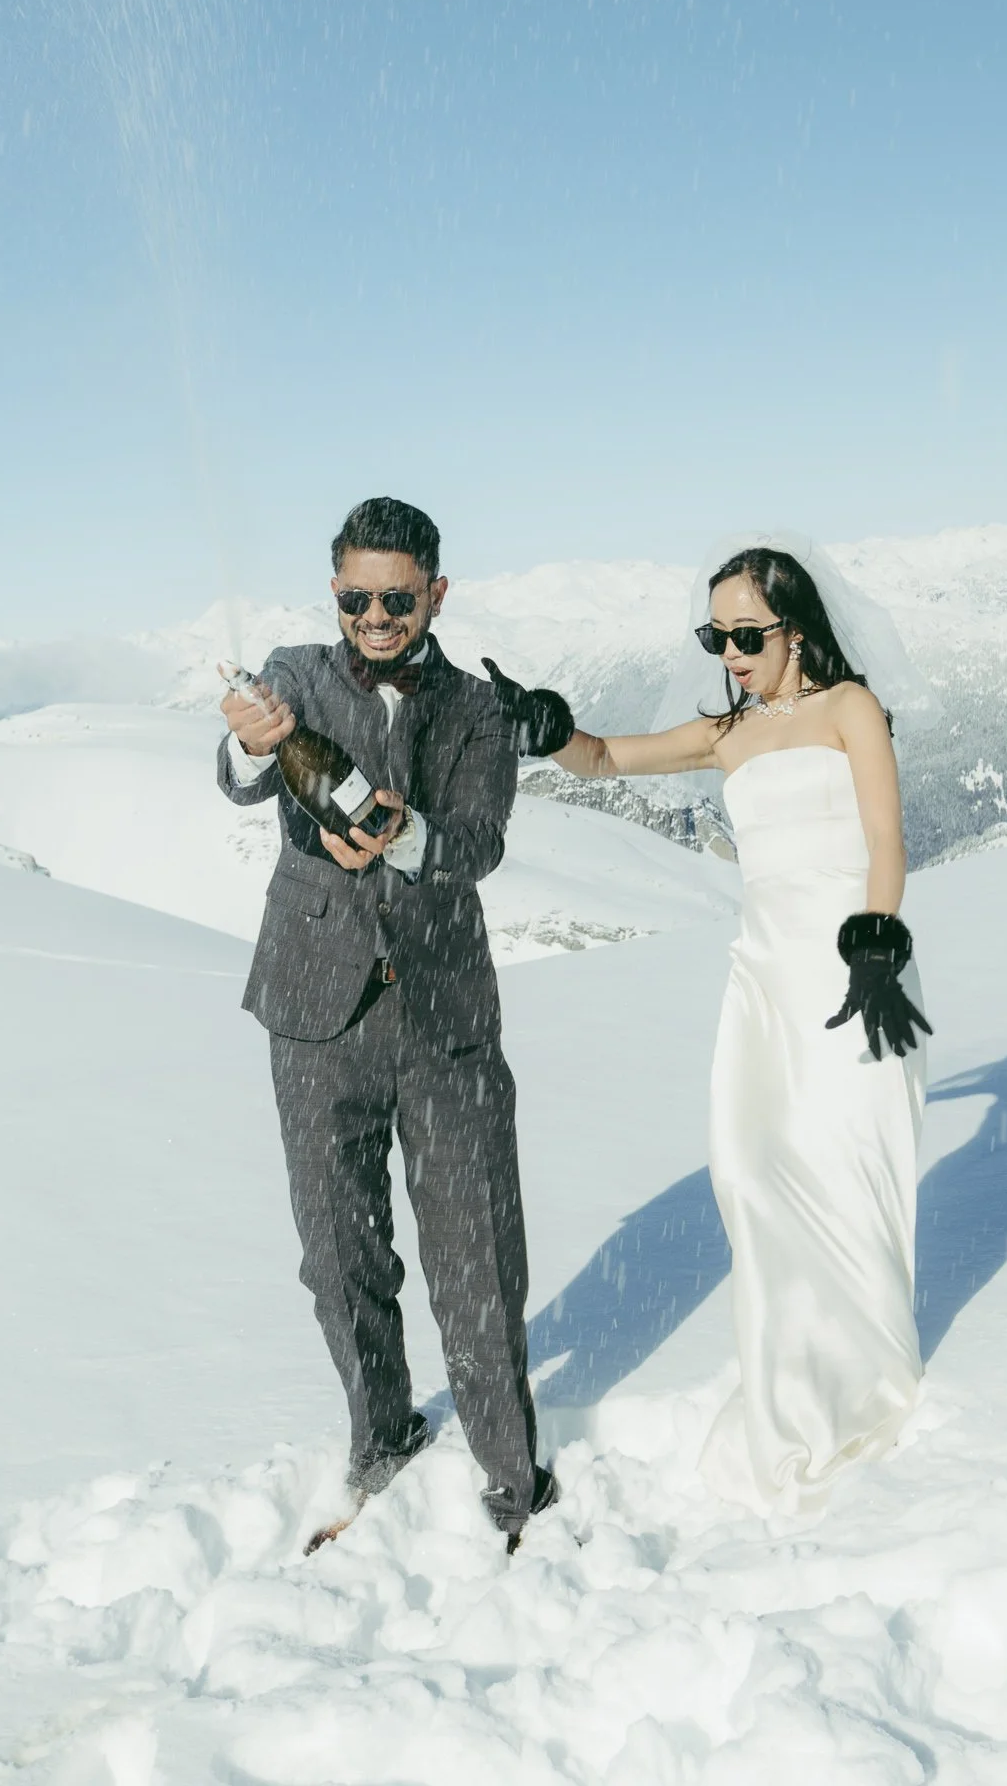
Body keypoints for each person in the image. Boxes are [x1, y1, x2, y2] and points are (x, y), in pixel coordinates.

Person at [487, 537, 933, 1518]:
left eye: (743, 633)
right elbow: (604, 759)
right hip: (764, 976)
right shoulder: (727, 728)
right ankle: (788, 1377)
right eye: (713, 634)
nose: (727, 652)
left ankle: (857, 1377)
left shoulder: (849, 710)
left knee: (847, 1171)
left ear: (795, 625)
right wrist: (548, 725)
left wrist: (878, 935)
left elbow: (889, 840)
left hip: (853, 963)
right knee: (748, 1170)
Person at [217, 496, 562, 1551]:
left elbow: (480, 845)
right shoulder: (292, 675)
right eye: (358, 597)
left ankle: (513, 1484)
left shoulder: (477, 706)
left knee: (478, 1255)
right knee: (339, 1253)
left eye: (398, 598)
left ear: (435, 594)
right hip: (313, 1008)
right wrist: (248, 747)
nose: (377, 615)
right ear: (336, 594)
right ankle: (381, 1439)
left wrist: (404, 839)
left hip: (444, 1011)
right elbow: (237, 779)